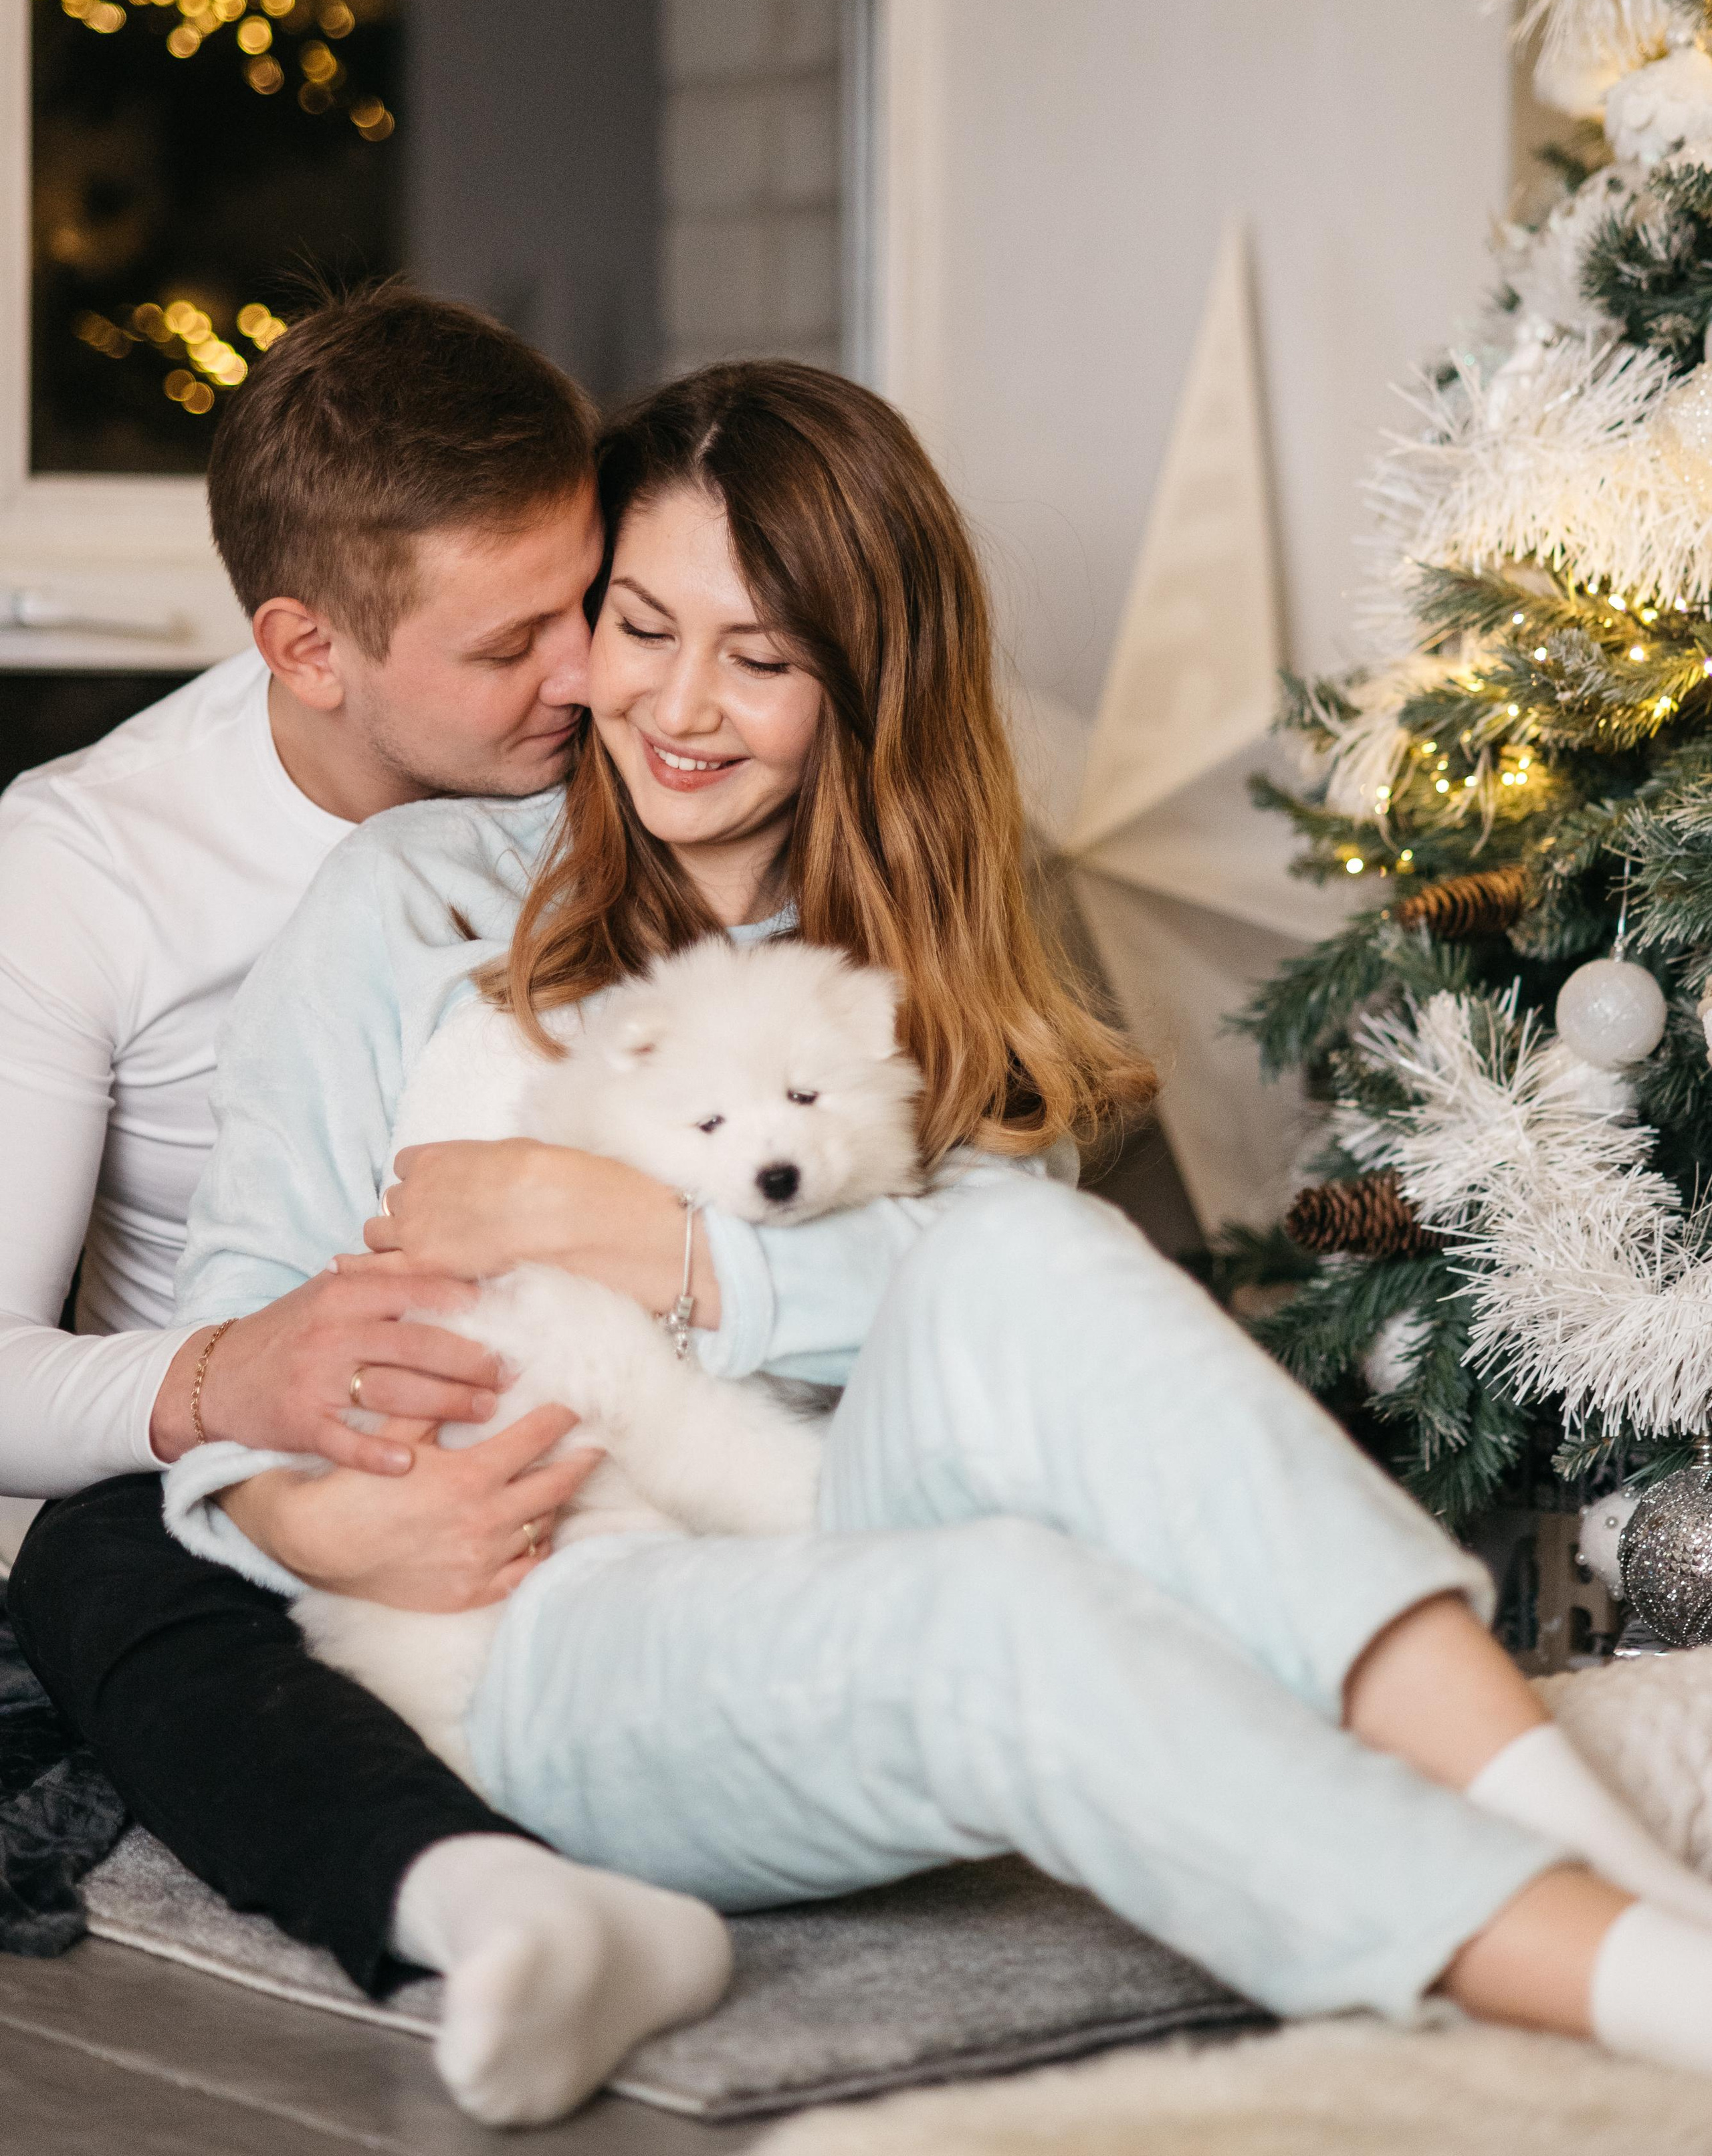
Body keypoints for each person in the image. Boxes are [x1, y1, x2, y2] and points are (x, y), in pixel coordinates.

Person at [23, 358, 1712, 2099]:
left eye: (758, 658)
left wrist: (675, 1250)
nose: (679, 705)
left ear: (856, 679)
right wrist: (331, 1523)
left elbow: (1007, 1330)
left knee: (1023, 1254)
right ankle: (1641, 1982)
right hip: (558, 1621)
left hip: (838, 1523)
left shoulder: (908, 937)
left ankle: (1610, 1854)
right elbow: (243, 1341)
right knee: (1008, 1608)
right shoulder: (407, 897)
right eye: (641, 625)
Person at [0, 286, 730, 2125]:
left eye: (595, 597)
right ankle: (490, 1906)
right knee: (94, 1559)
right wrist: (233, 1400)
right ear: (309, 647)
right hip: (247, 1501)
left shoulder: (641, 767)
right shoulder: (83, 871)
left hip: (643, 1415)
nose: (591, 673)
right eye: (513, 643)